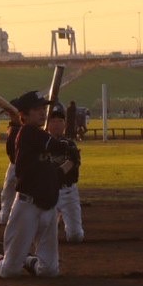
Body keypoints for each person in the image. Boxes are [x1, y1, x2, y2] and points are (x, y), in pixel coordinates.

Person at [0, 92, 66, 279]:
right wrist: (66, 146)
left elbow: (54, 164)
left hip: (48, 205)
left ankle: (27, 260)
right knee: (9, 271)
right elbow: (56, 147)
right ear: (23, 115)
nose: (43, 113)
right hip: (27, 207)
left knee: (49, 271)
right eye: (36, 109)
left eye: (43, 108)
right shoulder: (26, 133)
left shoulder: (39, 136)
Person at [46, 102, 84, 243]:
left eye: (60, 121)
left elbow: (73, 167)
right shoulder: (40, 144)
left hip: (68, 192)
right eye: (53, 120)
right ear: (47, 123)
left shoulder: (69, 145)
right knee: (46, 236)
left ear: (65, 124)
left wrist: (57, 174)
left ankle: (60, 218)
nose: (56, 124)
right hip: (47, 194)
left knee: (75, 237)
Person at [0, 113, 23, 225]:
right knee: (5, 219)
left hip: (31, 170)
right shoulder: (13, 131)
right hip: (15, 170)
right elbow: (13, 157)